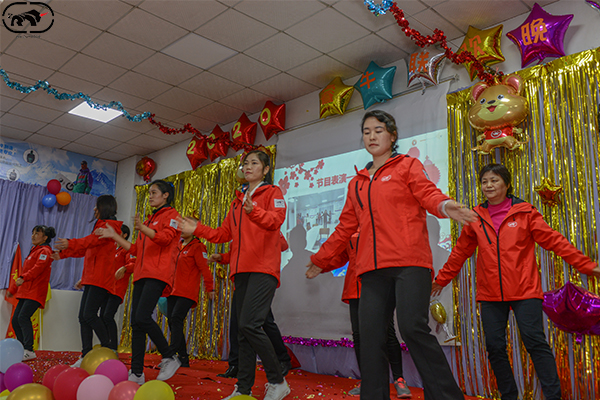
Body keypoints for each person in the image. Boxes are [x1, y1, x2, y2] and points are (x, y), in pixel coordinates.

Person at [306, 110, 476, 400]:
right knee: (370, 338)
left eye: (378, 130)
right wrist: (320, 260)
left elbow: (428, 194)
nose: (372, 136)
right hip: (371, 270)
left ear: (392, 136)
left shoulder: (407, 165)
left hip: (410, 263)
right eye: (366, 132)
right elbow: (345, 226)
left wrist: (446, 206)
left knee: (412, 329)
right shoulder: (357, 183)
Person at [432, 163, 600, 400]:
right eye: (484, 182)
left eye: (494, 180)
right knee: (495, 347)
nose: (489, 186)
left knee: (535, 342)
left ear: (507, 184)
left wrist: (586, 265)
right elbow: (460, 252)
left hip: (525, 291)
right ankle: (509, 395)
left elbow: (554, 241)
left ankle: (554, 396)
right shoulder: (475, 217)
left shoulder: (525, 212)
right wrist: (441, 279)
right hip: (490, 294)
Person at [179, 150, 291, 400]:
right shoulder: (236, 201)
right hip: (240, 272)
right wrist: (197, 228)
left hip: (263, 269)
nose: (248, 167)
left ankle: (277, 380)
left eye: (254, 163)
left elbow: (276, 220)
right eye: (245, 163)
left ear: (265, 169)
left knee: (250, 324)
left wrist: (254, 211)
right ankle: (243, 389)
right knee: (242, 332)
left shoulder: (273, 193)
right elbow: (222, 235)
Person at [96, 180, 182, 384]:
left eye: (154, 192)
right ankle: (136, 373)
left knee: (143, 317)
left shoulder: (172, 215)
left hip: (157, 273)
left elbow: (165, 239)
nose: (150, 196)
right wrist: (114, 236)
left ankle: (170, 356)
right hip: (141, 274)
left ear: (166, 195)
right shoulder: (150, 219)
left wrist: (143, 228)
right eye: (149, 193)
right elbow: (136, 250)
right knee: (136, 323)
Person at [311, 231, 412, 398]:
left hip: (378, 286)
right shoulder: (350, 229)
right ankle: (368, 380)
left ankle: (399, 379)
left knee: (387, 333)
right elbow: (342, 257)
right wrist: (321, 266)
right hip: (354, 287)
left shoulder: (380, 224)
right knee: (358, 335)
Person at [53, 195, 123, 365]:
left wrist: (70, 243)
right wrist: (63, 254)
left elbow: (89, 241)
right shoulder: (99, 225)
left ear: (105, 207)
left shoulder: (110, 226)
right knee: (83, 317)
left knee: (89, 315)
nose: (94, 209)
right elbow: (87, 249)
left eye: (97, 206)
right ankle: (86, 354)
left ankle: (108, 347)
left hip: (100, 278)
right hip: (91, 278)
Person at [213, 232, 293, 379]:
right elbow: (236, 255)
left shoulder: (265, 225)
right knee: (236, 325)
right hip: (241, 284)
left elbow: (283, 245)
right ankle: (235, 365)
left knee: (265, 323)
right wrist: (222, 258)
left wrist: (263, 239)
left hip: (258, 283)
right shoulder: (239, 228)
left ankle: (283, 359)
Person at [166, 221, 215, 368]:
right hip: (173, 290)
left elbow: (205, 269)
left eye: (185, 227)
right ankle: (183, 357)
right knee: (172, 321)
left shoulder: (198, 247)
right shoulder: (177, 245)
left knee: (176, 318)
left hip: (187, 291)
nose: (182, 229)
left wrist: (210, 288)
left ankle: (171, 354)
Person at [9, 225, 56, 361]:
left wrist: (23, 278)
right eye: (33, 233)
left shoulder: (45, 251)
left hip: (35, 291)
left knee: (23, 317)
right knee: (16, 320)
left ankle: (29, 349)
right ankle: (22, 348)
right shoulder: (34, 250)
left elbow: (38, 268)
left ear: (45, 238)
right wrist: (14, 289)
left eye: (37, 233)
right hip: (26, 291)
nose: (33, 236)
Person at [101, 224, 135, 351]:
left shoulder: (127, 249)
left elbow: (134, 263)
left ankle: (113, 347)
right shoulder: (114, 249)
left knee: (108, 316)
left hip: (117, 289)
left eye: (118, 232)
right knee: (102, 316)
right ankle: (106, 345)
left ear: (124, 235)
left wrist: (125, 267)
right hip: (107, 288)